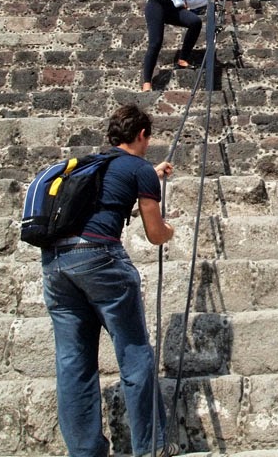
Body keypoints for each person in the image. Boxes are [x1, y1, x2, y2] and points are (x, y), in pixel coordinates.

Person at [42, 102, 178, 457]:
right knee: (135, 354)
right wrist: (169, 230)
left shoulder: (91, 164)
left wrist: (154, 174)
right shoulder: (139, 168)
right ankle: (151, 447)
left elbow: (109, 196)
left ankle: (85, 451)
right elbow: (154, 233)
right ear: (142, 135)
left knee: (73, 361)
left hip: (56, 262)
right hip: (101, 260)